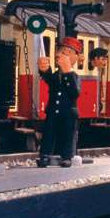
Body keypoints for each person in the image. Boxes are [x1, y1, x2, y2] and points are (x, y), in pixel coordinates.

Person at [37, 37, 82, 168]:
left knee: (67, 135)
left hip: (68, 113)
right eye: (61, 51)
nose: (61, 55)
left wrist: (67, 72)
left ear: (74, 57)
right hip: (53, 111)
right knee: (49, 133)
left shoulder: (74, 76)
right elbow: (48, 79)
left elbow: (75, 93)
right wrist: (44, 70)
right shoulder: (56, 76)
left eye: (67, 52)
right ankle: (44, 155)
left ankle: (67, 157)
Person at [89, 48, 109, 114]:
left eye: (106, 60)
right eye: (103, 59)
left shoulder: (99, 70)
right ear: (95, 58)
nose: (105, 62)